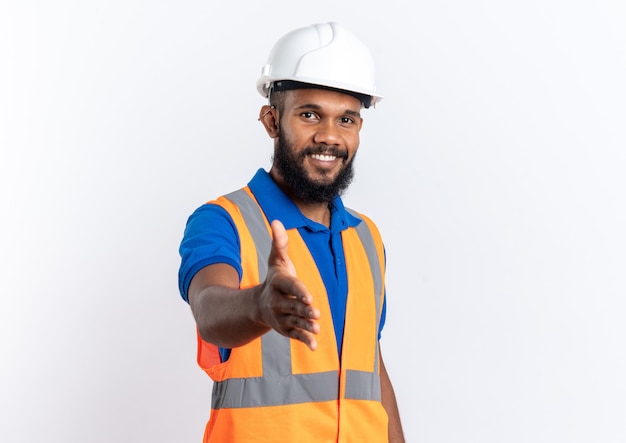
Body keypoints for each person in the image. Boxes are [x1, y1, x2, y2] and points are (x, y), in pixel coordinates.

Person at [178, 22, 405, 443]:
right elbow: (209, 311)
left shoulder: (366, 236)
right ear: (271, 120)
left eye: (347, 119)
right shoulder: (223, 220)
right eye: (309, 114)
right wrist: (260, 305)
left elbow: (370, 364)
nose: (329, 136)